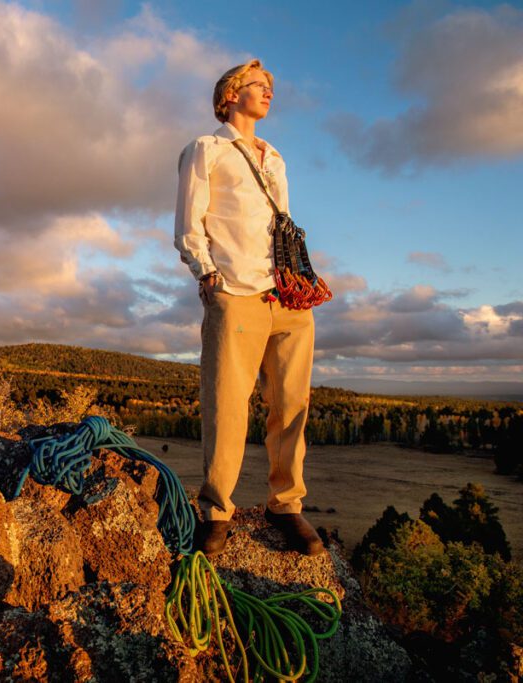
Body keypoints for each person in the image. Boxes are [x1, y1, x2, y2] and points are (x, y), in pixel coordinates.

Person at [174, 59, 324, 556]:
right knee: (227, 405)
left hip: (287, 293)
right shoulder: (207, 149)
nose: (269, 93)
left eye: (271, 88)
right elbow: (188, 222)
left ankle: (287, 505)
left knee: (291, 404)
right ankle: (217, 511)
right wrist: (207, 274)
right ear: (231, 94)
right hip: (234, 292)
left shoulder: (275, 157)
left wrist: (296, 276)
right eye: (260, 85)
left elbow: (281, 223)